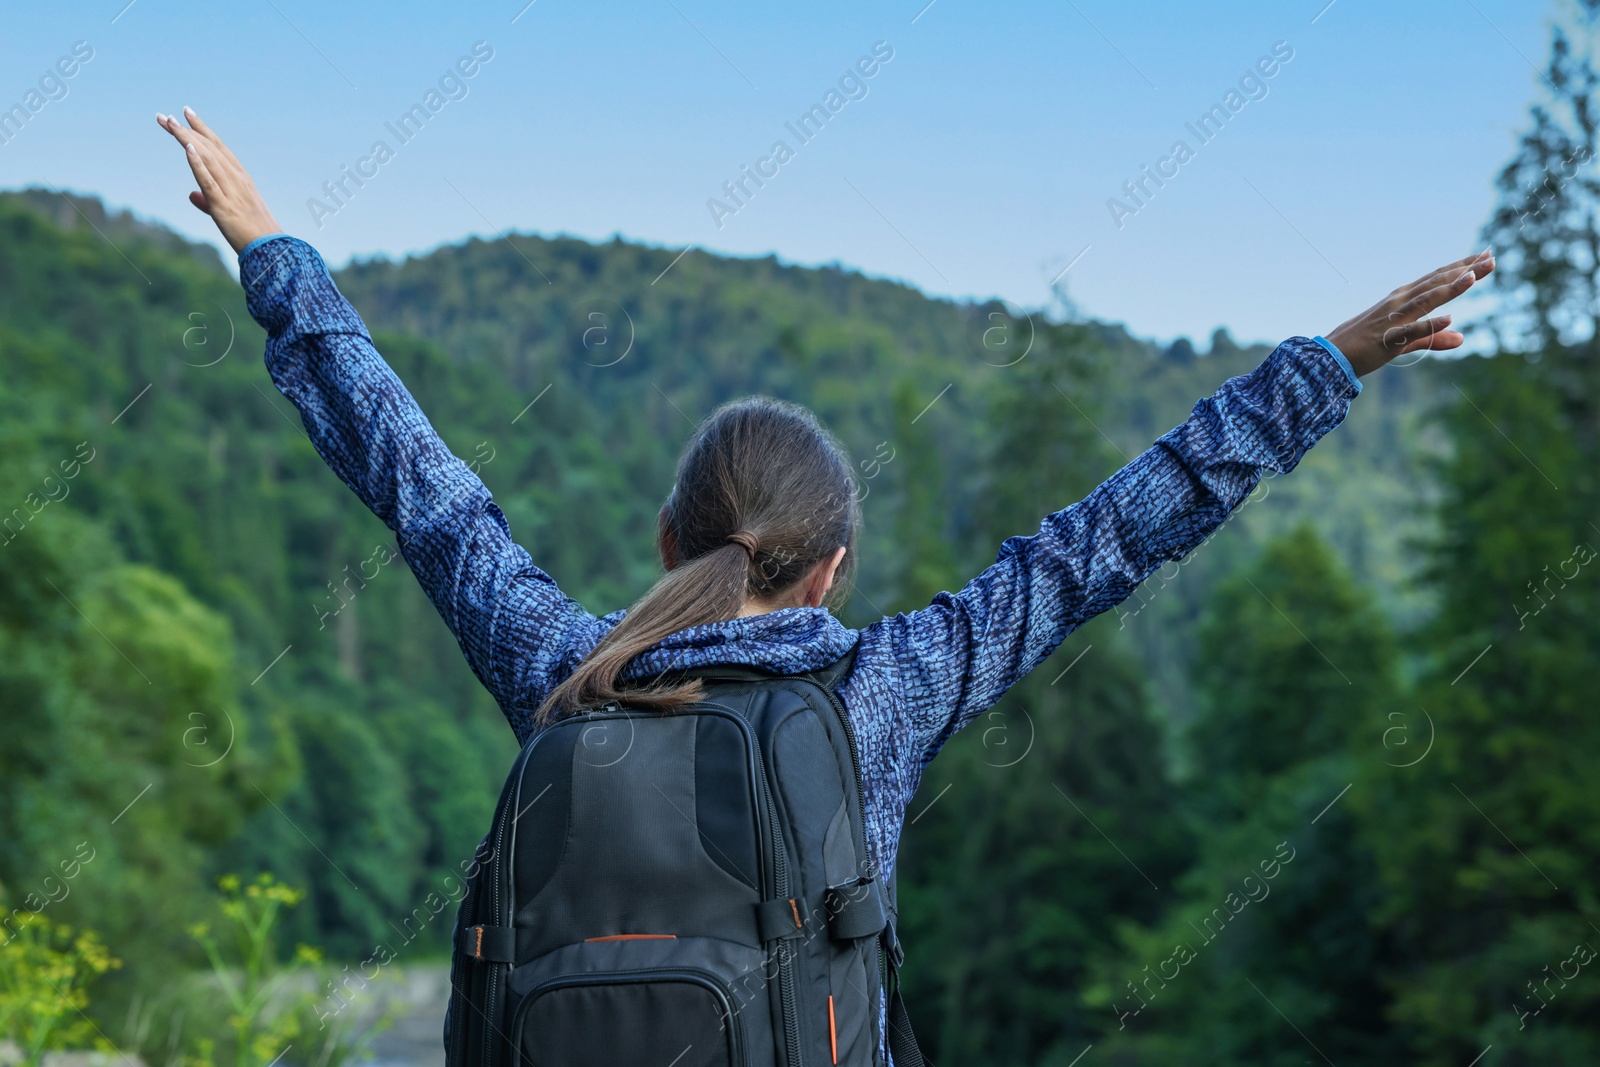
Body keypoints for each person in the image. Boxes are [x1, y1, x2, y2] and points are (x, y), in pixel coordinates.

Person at [158, 106, 1492, 1059]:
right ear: (833, 569)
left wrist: (271, 247)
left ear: (668, 540)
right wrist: (1328, 363)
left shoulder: (565, 672)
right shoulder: (881, 693)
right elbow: (1110, 538)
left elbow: (419, 486)